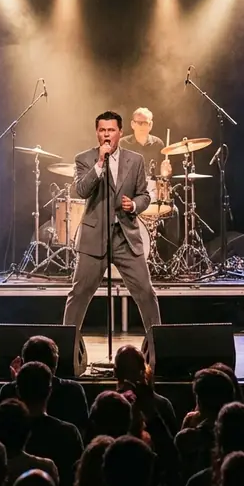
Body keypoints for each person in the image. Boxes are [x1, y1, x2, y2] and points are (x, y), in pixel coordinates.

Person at [63, 111, 162, 347]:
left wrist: (135, 204)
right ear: (97, 132)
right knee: (78, 294)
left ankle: (159, 346)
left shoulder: (135, 160)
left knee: (146, 293)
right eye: (102, 130)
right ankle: (65, 347)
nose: (106, 135)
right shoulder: (85, 158)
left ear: (120, 132)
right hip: (94, 237)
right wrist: (99, 163)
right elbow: (82, 190)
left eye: (111, 130)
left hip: (125, 235)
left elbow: (145, 195)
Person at [119, 107, 178, 257]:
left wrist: (167, 172)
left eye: (146, 123)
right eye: (139, 123)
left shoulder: (158, 144)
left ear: (151, 125)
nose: (143, 126)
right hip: (130, 193)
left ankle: (170, 259)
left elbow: (163, 178)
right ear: (132, 124)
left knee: (174, 211)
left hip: (152, 193)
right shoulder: (123, 144)